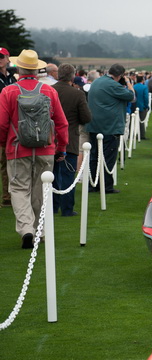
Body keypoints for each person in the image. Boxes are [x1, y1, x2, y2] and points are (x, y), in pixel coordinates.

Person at [0, 49, 69, 248]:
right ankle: (41, 231)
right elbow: (62, 123)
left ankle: (26, 229)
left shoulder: (8, 91)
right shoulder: (49, 90)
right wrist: (62, 147)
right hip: (45, 148)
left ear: (19, 68)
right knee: (41, 191)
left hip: (16, 148)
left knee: (19, 189)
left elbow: (3, 124)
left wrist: (5, 143)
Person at [86, 63, 134, 194]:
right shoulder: (113, 85)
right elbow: (131, 96)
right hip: (109, 127)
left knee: (94, 157)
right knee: (108, 158)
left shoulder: (97, 81)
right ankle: (106, 186)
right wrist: (128, 83)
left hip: (94, 125)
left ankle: (93, 184)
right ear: (120, 75)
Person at [52, 63, 92, 217]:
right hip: (69, 138)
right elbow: (86, 117)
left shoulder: (50, 90)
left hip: (51, 138)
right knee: (68, 175)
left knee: (52, 174)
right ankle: (67, 209)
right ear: (73, 76)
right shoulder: (77, 94)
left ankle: (53, 207)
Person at [0, 47, 17, 208]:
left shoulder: (12, 78)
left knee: (8, 162)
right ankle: (6, 195)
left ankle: (9, 195)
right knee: (3, 162)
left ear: (7, 58)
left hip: (10, 124)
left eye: (2, 57)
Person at [133, 75, 150, 139]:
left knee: (134, 121)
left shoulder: (134, 86)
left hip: (134, 106)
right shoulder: (144, 87)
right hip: (142, 106)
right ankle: (142, 135)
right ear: (142, 80)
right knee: (142, 121)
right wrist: (146, 106)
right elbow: (146, 97)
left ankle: (133, 134)